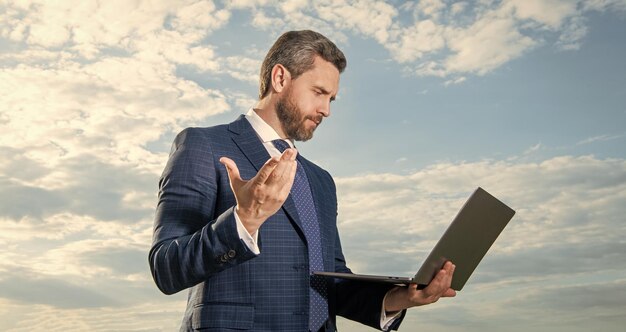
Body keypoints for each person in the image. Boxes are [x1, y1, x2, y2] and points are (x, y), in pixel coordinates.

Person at [149, 30, 456, 332]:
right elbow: (166, 267)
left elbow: (331, 280)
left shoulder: (321, 181)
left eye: (332, 98)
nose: (326, 110)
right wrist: (244, 220)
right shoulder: (204, 145)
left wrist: (401, 298)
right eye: (319, 92)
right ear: (280, 78)